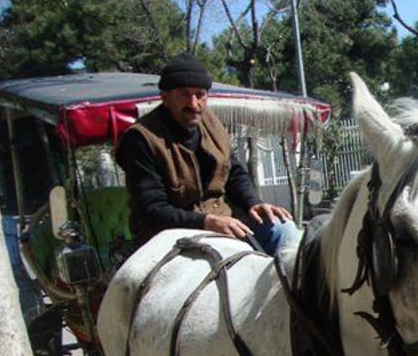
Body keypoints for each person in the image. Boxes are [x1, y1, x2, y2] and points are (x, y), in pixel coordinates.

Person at [115, 52, 298, 253]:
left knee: (283, 229)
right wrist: (207, 222)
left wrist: (252, 203)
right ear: (166, 98)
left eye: (200, 94)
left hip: (222, 223)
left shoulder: (213, 125)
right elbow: (152, 210)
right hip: (169, 237)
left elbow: (234, 173)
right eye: (184, 94)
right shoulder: (141, 138)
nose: (194, 104)